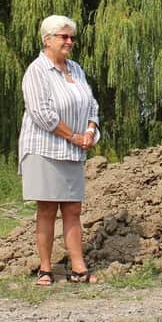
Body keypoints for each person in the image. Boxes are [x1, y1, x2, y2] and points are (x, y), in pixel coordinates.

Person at [19, 15, 101, 286]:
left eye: (71, 37)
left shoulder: (75, 69)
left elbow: (92, 105)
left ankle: (78, 267)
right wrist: (74, 136)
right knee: (46, 209)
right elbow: (42, 113)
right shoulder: (37, 70)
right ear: (47, 39)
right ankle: (45, 268)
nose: (69, 41)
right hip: (45, 149)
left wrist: (90, 131)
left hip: (73, 151)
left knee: (73, 209)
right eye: (63, 37)